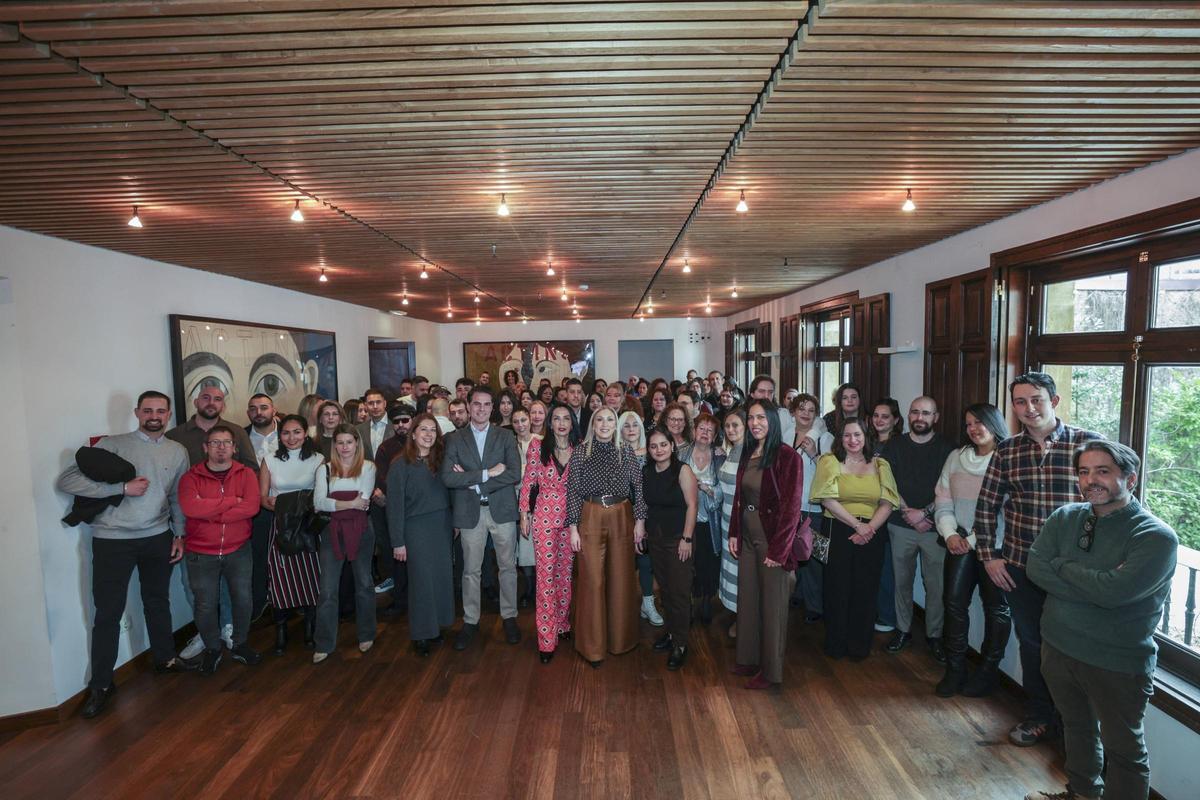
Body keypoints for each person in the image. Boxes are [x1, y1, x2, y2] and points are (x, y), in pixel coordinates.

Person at [1025, 441, 1177, 800]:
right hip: (1059, 647)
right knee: (1077, 729)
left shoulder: (1155, 537)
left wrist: (1062, 565)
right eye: (1084, 471)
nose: (1091, 480)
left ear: (1131, 478)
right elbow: (1035, 567)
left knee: (1124, 751)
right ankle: (1081, 793)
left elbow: (1115, 593)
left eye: (1103, 471)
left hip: (1116, 661)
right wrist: (1097, 581)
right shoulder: (1065, 517)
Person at [973, 371, 1104, 747]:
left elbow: (1114, 501)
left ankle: (1072, 727)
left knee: (1073, 649)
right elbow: (986, 507)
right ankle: (1038, 716)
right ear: (1012, 407)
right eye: (1020, 402)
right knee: (1033, 646)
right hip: (1020, 566)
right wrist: (990, 558)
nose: (1029, 408)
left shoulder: (1088, 445)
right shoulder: (1008, 449)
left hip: (1075, 571)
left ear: (1054, 401)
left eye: (1036, 400)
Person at [57, 390, 194, 718]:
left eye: (160, 411)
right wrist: (119, 489)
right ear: (137, 412)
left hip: (158, 537)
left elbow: (178, 495)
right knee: (107, 613)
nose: (154, 416)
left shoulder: (177, 451)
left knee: (158, 601)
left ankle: (165, 659)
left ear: (169, 413)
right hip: (112, 540)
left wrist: (179, 533)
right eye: (148, 410)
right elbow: (67, 480)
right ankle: (102, 684)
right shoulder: (111, 445)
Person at [933, 403, 1011, 697]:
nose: (974, 429)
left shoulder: (1007, 458)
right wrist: (951, 533)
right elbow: (942, 497)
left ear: (994, 423)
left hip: (996, 547)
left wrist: (975, 539)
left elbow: (1007, 510)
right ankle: (955, 670)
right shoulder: (957, 457)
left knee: (996, 609)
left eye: (980, 422)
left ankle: (987, 673)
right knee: (953, 604)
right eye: (968, 424)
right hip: (958, 541)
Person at [728, 400, 805, 688]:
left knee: (772, 608)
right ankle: (748, 659)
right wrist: (734, 532)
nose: (755, 423)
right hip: (747, 536)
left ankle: (771, 674)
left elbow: (791, 508)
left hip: (772, 539)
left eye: (761, 417)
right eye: (751, 418)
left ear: (772, 420)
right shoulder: (749, 451)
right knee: (748, 600)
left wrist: (779, 550)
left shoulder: (787, 457)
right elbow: (740, 497)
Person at [810, 418, 900, 660]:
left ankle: (859, 646)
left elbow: (889, 502)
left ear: (866, 437)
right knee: (836, 588)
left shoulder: (881, 465)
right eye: (847, 435)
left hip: (873, 532)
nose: (852, 440)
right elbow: (826, 499)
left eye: (857, 435)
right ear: (840, 439)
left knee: (866, 588)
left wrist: (869, 527)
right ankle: (836, 644)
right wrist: (857, 525)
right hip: (838, 528)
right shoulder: (829, 461)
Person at [441, 387, 523, 650]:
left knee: (508, 567)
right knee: (470, 570)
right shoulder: (454, 439)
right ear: (469, 405)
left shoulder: (505, 436)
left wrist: (475, 482)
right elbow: (449, 477)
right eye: (477, 404)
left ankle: (509, 616)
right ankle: (471, 620)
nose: (482, 409)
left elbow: (514, 474)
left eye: (487, 405)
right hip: (469, 513)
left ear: (493, 408)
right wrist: (487, 474)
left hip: (501, 511)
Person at [177, 425, 263, 674]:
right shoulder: (190, 478)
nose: (221, 447)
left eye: (226, 442)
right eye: (215, 443)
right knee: (205, 603)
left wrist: (211, 512)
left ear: (235, 448)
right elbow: (191, 509)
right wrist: (230, 502)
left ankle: (240, 644)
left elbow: (251, 508)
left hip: (238, 550)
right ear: (205, 448)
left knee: (243, 598)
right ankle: (212, 649)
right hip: (201, 552)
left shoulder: (246, 474)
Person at [565, 407, 647, 667]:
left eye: (610, 419)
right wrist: (573, 527)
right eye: (599, 419)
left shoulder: (626, 451)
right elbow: (573, 491)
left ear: (616, 424)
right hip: (590, 514)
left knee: (621, 578)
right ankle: (592, 647)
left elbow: (639, 487)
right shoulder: (580, 452)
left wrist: (641, 521)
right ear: (592, 424)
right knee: (592, 580)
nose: (604, 424)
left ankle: (620, 641)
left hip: (622, 514)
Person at [881, 396, 956, 662]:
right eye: (915, 412)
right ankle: (903, 630)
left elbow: (950, 487)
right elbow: (887, 483)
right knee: (902, 582)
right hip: (900, 525)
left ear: (935, 417)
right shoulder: (894, 445)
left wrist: (925, 513)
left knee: (935, 586)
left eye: (926, 413)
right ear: (908, 416)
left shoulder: (949, 448)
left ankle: (934, 635)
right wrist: (909, 513)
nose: (919, 417)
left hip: (936, 529)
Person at [387, 414, 455, 657]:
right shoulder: (399, 465)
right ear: (413, 433)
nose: (428, 434)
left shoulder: (442, 460)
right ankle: (420, 634)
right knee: (421, 582)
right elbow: (394, 507)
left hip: (442, 525)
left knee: (440, 578)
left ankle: (435, 626)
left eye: (432, 430)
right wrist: (398, 542)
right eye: (423, 430)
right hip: (415, 529)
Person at [258, 414, 324, 655]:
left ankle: (310, 626)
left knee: (311, 576)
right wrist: (287, 506)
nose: (291, 437)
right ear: (279, 435)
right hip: (282, 526)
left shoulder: (318, 459)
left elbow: (320, 496)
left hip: (308, 527)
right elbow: (263, 498)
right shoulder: (269, 460)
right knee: (280, 578)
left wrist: (291, 504)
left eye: (297, 432)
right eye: (286, 433)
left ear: (305, 433)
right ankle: (281, 630)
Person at [312, 424, 377, 663]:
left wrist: (336, 502)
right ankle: (324, 643)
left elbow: (365, 499)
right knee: (328, 589)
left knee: (364, 583)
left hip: (361, 530)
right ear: (334, 445)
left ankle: (367, 634)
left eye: (349, 442)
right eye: (340, 442)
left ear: (357, 443)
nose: (345, 447)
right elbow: (319, 503)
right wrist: (349, 503)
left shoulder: (368, 467)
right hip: (332, 531)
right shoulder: (325, 470)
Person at [520, 404, 578, 662]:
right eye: (557, 418)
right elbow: (528, 481)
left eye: (566, 418)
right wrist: (524, 513)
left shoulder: (579, 450)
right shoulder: (537, 446)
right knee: (545, 576)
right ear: (550, 423)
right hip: (544, 516)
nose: (562, 423)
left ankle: (563, 623)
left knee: (565, 574)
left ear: (572, 422)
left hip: (573, 519)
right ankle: (546, 638)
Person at [643, 428, 698, 670]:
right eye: (653, 446)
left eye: (663, 444)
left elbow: (692, 506)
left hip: (678, 539)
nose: (659, 450)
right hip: (655, 539)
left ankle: (681, 643)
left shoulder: (682, 470)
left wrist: (686, 539)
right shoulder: (647, 471)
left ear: (672, 446)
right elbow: (645, 505)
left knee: (679, 592)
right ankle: (671, 632)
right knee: (665, 590)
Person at [790, 393, 834, 624]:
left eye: (810, 410)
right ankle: (798, 593)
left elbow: (830, 474)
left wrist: (814, 454)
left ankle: (816, 604)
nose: (805, 413)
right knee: (795, 554)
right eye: (801, 408)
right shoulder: (786, 435)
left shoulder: (825, 438)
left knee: (813, 557)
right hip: (790, 506)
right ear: (793, 412)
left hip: (813, 507)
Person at [678, 413, 724, 625]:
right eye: (702, 429)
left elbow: (725, 490)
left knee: (708, 562)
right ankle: (686, 601)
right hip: (686, 520)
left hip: (710, 521)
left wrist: (708, 489)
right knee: (686, 563)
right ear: (694, 431)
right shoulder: (681, 454)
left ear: (715, 436)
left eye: (710, 431)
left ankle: (706, 598)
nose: (705, 433)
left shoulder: (720, 457)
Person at [370, 402, 416, 610]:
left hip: (419, 509)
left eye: (405, 420)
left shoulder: (422, 442)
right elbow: (381, 477)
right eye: (396, 422)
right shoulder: (385, 448)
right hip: (394, 507)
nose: (401, 425)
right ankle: (399, 599)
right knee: (396, 555)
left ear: (413, 421)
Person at [618, 409, 662, 626]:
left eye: (635, 424)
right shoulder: (614, 453)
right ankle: (623, 608)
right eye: (626, 425)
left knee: (646, 561)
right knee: (622, 565)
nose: (631, 429)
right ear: (620, 429)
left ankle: (647, 603)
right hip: (620, 514)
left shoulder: (652, 452)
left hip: (647, 515)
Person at [867, 396, 904, 634]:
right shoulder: (867, 443)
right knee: (872, 568)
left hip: (891, 515)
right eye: (876, 416)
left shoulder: (899, 445)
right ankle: (873, 610)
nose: (880, 420)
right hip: (865, 512)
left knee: (888, 570)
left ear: (895, 420)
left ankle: (889, 615)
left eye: (885, 416)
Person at [166, 384, 256, 469]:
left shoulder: (238, 432)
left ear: (223, 406)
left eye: (217, 399)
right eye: (206, 398)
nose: (211, 402)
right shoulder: (174, 436)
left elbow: (252, 469)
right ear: (196, 402)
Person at [244, 392, 278, 619]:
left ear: (273, 410)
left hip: (289, 507)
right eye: (254, 408)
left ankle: (290, 601)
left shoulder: (291, 433)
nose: (259, 412)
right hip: (256, 509)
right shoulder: (240, 437)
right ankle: (261, 602)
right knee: (258, 558)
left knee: (289, 557)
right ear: (248, 413)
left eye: (264, 407)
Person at [717, 409, 746, 635]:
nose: (731, 430)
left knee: (744, 572)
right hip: (726, 519)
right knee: (732, 569)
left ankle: (746, 620)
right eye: (727, 426)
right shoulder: (732, 451)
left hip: (743, 522)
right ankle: (738, 614)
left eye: (735, 425)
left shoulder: (750, 453)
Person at [512, 406, 540, 607]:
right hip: (513, 498)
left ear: (530, 420)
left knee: (534, 545)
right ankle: (529, 587)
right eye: (516, 421)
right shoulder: (509, 443)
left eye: (524, 420)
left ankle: (540, 588)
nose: (520, 425)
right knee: (522, 547)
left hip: (537, 500)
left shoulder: (540, 441)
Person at [748, 374, 795, 446]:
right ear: (752, 394)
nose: (766, 396)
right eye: (761, 391)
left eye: (770, 392)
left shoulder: (782, 414)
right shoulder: (743, 414)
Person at [356, 388, 392, 462]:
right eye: (370, 403)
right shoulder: (358, 429)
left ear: (384, 403)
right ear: (365, 406)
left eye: (378, 402)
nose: (375, 406)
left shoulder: (396, 426)